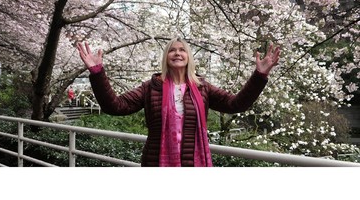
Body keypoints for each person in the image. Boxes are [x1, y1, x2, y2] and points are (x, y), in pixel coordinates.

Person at [77, 37, 280, 167]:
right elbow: (115, 106)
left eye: (182, 50)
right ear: (166, 57)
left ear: (188, 57)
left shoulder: (202, 87)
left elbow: (236, 105)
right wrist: (97, 73)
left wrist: (259, 76)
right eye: (172, 50)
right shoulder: (151, 87)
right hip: (156, 162)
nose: (177, 53)